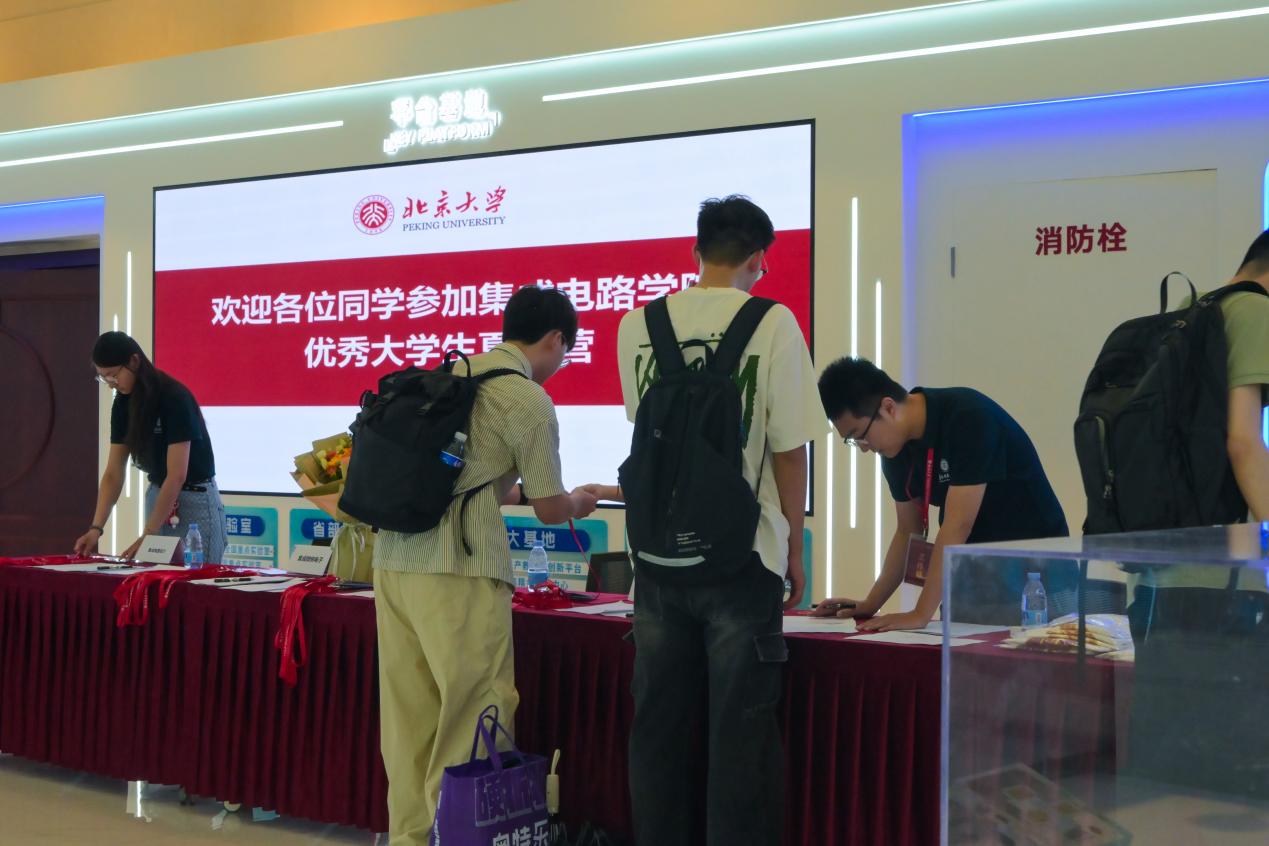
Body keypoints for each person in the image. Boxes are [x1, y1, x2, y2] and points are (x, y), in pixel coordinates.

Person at [583, 195, 822, 846]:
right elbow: (788, 447)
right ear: (757, 259)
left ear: (696, 252)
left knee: (658, 728)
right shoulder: (772, 322)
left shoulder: (637, 323)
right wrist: (792, 547)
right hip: (743, 556)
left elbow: (647, 432)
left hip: (657, 560)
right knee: (741, 731)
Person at [372, 285, 599, 846]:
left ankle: (409, 838)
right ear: (556, 339)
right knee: (474, 711)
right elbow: (550, 507)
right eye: (566, 352)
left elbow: (469, 477)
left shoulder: (450, 374)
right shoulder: (526, 398)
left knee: (409, 717)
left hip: (395, 560)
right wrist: (580, 501)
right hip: (460, 566)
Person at [1125, 229, 1269, 797]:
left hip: (1161, 574)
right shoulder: (1254, 312)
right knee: (1232, 770)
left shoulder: (1190, 307)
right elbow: (1243, 442)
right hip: (1224, 585)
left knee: (1170, 766)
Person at [814, 358, 1071, 630]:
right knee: (958, 653)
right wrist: (870, 604)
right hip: (975, 572)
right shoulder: (895, 450)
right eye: (853, 441)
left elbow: (958, 525)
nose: (864, 447)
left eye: (860, 435)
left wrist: (919, 614)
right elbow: (908, 530)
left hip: (1036, 571)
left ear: (888, 408)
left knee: (1035, 653)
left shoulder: (969, 417)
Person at [76, 331, 226, 563]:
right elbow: (113, 473)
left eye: (113, 375)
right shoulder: (122, 404)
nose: (111, 385)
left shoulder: (174, 397)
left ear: (134, 361)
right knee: (156, 579)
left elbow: (176, 475)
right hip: (159, 498)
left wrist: (149, 533)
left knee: (197, 578)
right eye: (103, 378)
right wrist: (96, 528)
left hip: (194, 500)